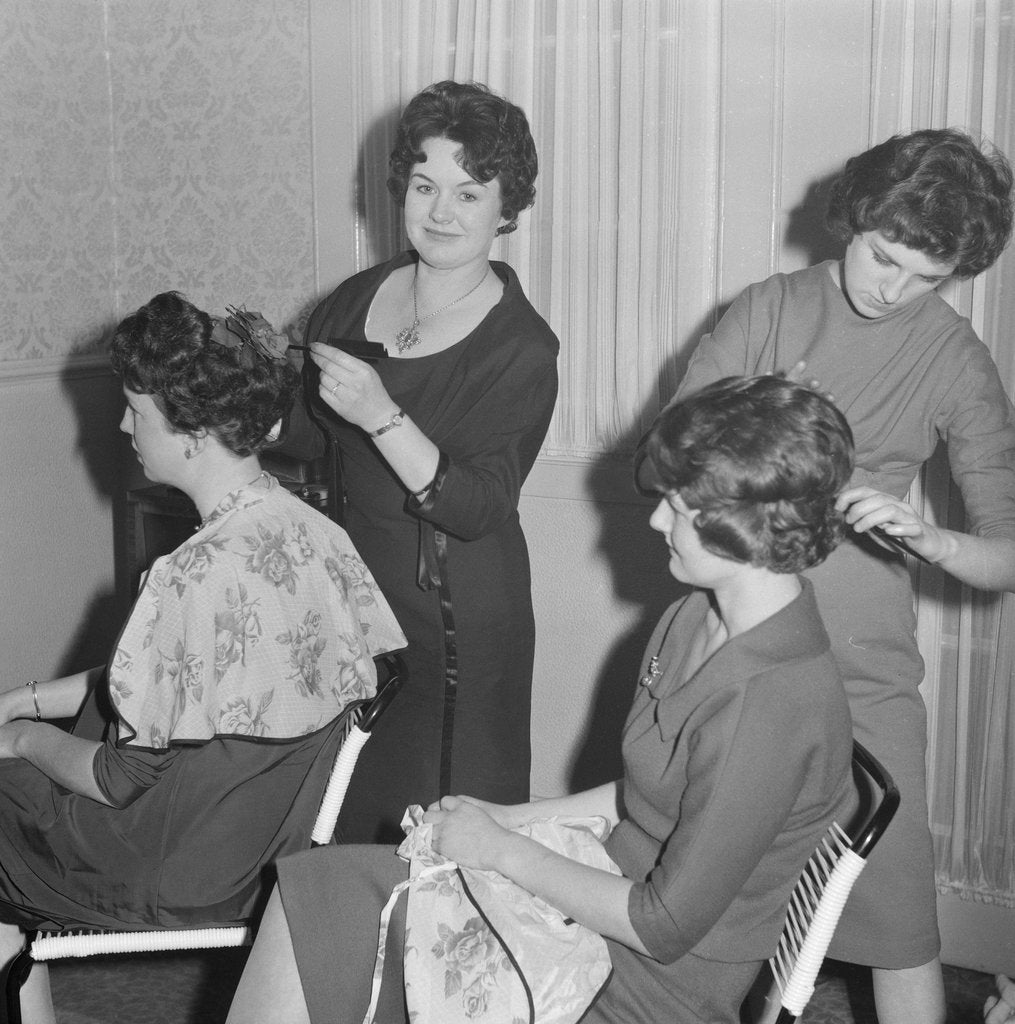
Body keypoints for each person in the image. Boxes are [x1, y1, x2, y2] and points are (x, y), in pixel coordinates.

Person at [225, 375, 858, 1024]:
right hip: (593, 902)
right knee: (318, 893)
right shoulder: (695, 615)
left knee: (349, 928)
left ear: (747, 521)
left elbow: (661, 926)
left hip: (643, 984)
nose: (657, 517)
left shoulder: (775, 703)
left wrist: (501, 850)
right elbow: (643, 796)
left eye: (680, 504)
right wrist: (506, 817)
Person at [672, 128, 1015, 1024]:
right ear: (854, 219)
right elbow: (675, 458)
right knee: (696, 879)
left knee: (899, 908)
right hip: (736, 636)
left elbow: (1006, 557)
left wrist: (934, 542)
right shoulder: (768, 308)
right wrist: (775, 431)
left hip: (863, 656)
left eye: (924, 277)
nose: (892, 289)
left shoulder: (953, 357)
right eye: (882, 255)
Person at [0, 292, 405, 1024]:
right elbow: (191, 686)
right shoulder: (316, 536)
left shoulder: (187, 575)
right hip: (262, 844)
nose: (123, 425)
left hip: (178, 866)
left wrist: (23, 739)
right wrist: (27, 698)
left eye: (137, 411)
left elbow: (118, 778)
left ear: (189, 435)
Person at [301, 80, 559, 843]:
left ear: (506, 209)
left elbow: (477, 505)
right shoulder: (352, 300)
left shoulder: (521, 345)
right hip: (357, 607)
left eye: (468, 193)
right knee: (348, 826)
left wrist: (382, 413)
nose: (441, 212)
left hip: (457, 626)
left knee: (444, 842)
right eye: (424, 186)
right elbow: (314, 441)